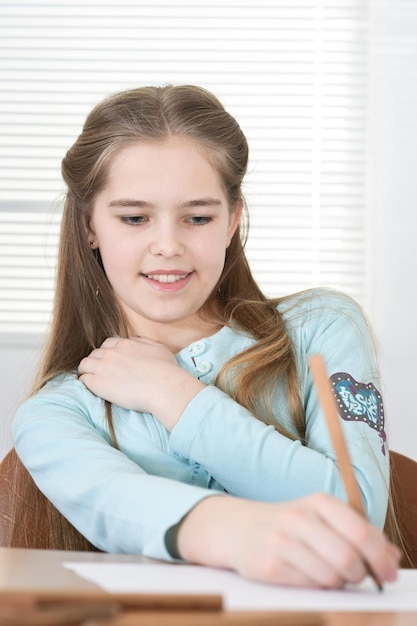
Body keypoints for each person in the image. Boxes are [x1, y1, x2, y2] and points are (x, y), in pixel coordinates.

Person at [11, 85, 400, 589]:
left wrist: (171, 392)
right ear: (89, 225)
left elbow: (357, 516)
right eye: (134, 218)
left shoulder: (321, 326)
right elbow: (120, 503)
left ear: (233, 219)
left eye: (198, 217)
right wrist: (237, 532)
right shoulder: (55, 414)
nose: (168, 246)